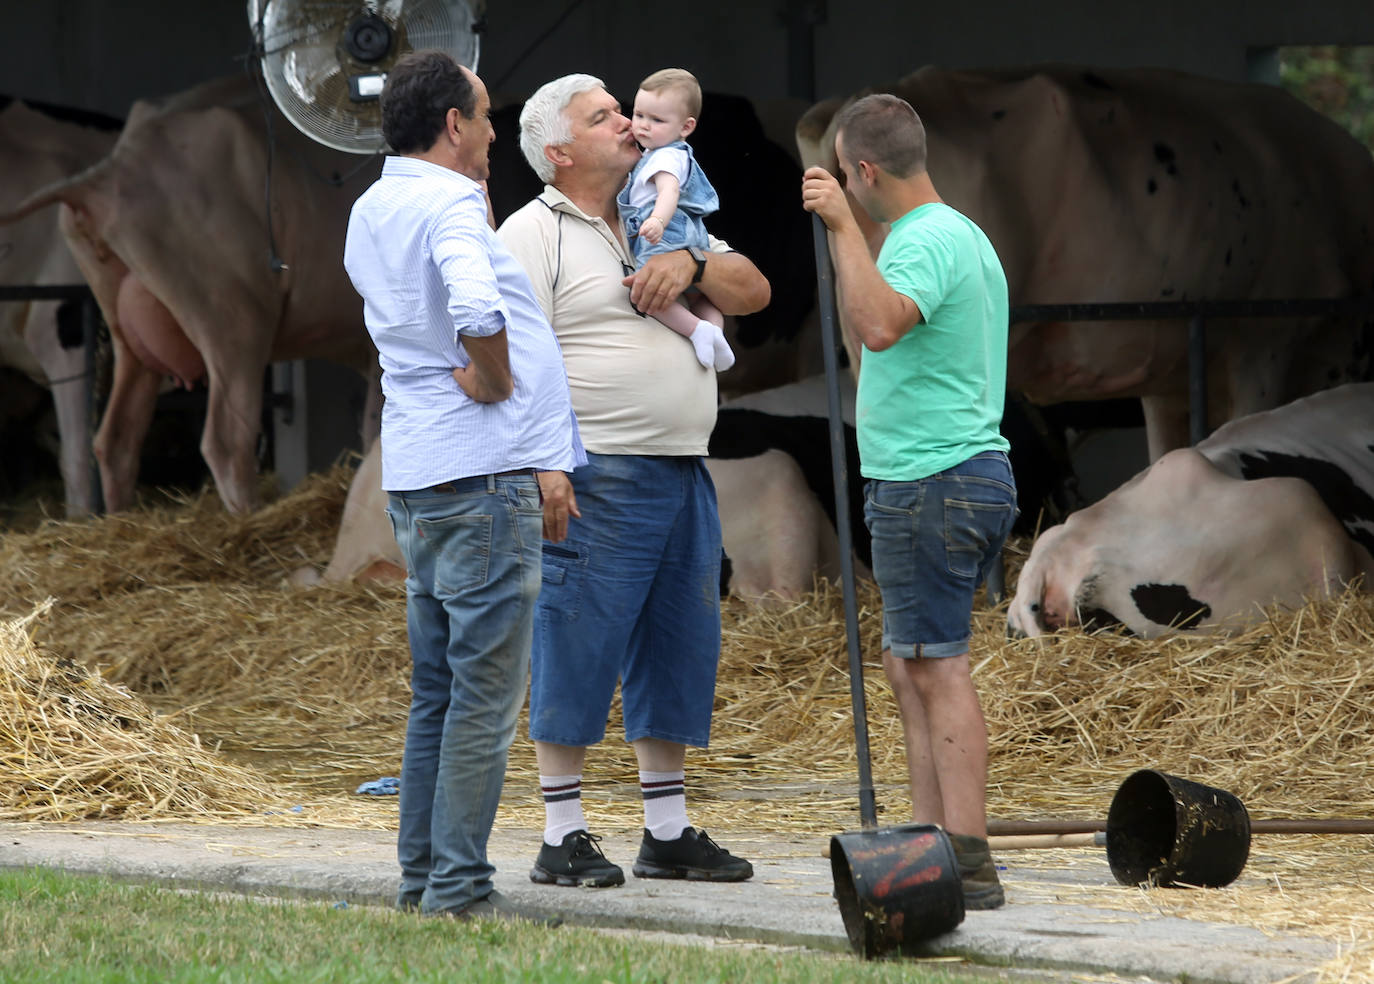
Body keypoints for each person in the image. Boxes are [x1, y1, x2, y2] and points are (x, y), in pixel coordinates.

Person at [498, 73, 770, 889]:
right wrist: (544, 465)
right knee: (575, 637)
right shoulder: (532, 232)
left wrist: (690, 261)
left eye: (624, 109)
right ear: (560, 151)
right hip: (593, 469)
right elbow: (514, 359)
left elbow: (753, 290)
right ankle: (560, 832)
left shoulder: (671, 206)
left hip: (684, 464)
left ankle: (667, 827)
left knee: (679, 645)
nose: (625, 120)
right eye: (602, 115)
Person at [342, 50, 585, 920]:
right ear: (453, 126)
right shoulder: (447, 203)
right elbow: (478, 309)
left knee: (438, 692)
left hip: (416, 475)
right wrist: (491, 372)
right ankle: (457, 888)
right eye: (483, 117)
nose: (490, 132)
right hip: (478, 478)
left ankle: (422, 879)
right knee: (483, 698)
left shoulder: (371, 206)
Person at [801, 93, 1017, 910]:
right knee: (910, 662)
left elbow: (881, 326)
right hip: (935, 476)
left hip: (934, 480)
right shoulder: (954, 235)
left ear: (863, 171)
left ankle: (966, 853)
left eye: (849, 187)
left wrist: (845, 233)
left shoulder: (923, 239)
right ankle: (931, 840)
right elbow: (880, 340)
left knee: (937, 667)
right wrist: (855, 239)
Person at [616, 68, 734, 372]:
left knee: (645, 292)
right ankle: (715, 333)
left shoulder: (666, 157)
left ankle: (697, 331)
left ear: (686, 127)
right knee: (700, 294)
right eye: (639, 114)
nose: (643, 125)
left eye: (657, 120)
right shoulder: (666, 153)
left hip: (664, 232)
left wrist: (657, 220)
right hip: (687, 233)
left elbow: (669, 191)